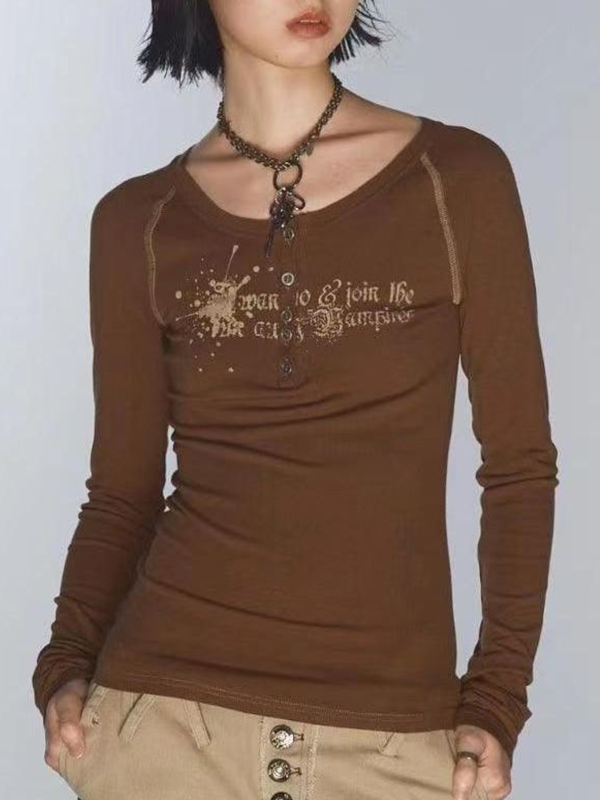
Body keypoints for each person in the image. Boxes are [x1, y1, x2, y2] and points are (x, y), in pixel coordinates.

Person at [32, 2, 559, 800]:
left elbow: (518, 467)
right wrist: (66, 665)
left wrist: (496, 697)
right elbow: (121, 494)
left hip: (393, 741)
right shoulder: (140, 222)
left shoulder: (456, 179)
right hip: (164, 727)